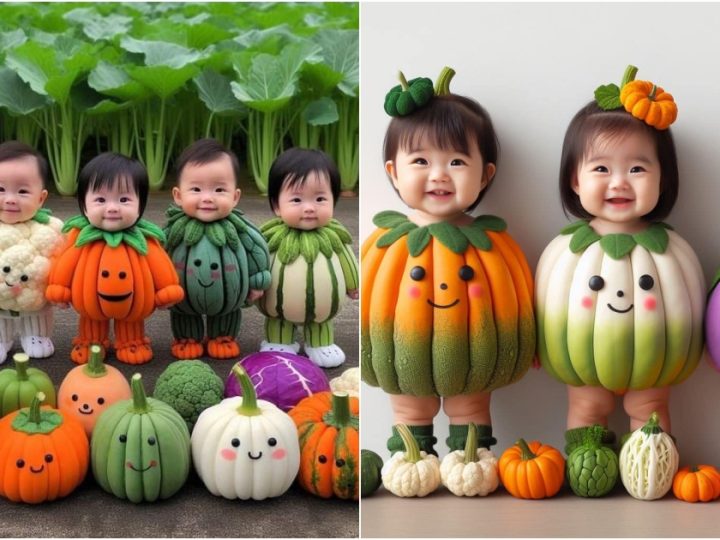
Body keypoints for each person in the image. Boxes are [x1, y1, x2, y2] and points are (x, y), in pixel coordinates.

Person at [361, 67, 536, 463]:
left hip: (476, 356)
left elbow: (517, 306)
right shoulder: (384, 246)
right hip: (405, 355)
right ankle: (411, 460)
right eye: (420, 160)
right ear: (393, 172)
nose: (438, 175)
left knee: (471, 408)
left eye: (457, 162)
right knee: (409, 409)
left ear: (485, 175)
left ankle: (470, 461)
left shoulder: (495, 247)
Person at [535, 66, 705, 456]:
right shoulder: (564, 251)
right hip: (579, 362)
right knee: (585, 406)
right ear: (575, 180)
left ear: (663, 179)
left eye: (637, 169)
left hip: (655, 362)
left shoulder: (674, 251)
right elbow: (545, 302)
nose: (619, 182)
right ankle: (587, 460)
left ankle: (649, 463)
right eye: (600, 169)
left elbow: (689, 312)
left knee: (651, 407)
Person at [46, 153, 184, 364]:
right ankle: (91, 342)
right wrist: (59, 287)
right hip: (89, 301)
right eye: (100, 199)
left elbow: (159, 262)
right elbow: (67, 261)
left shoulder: (145, 241)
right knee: (91, 317)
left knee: (132, 318)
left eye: (124, 199)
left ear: (141, 205)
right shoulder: (80, 238)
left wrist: (167, 289)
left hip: (134, 303)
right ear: (84, 205)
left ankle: (132, 343)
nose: (112, 207)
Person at [165, 139, 270, 360]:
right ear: (178, 195)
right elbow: (157, 256)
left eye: (219, 189)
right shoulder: (171, 232)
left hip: (229, 298)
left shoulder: (242, 230)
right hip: (182, 300)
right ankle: (186, 338)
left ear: (235, 197)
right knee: (184, 314)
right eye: (195, 189)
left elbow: (257, 250)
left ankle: (222, 337)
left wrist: (258, 280)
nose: (207, 198)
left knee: (227, 312)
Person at [257, 147, 358, 368]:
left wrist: (354, 284)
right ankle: (278, 341)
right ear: (276, 205)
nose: (310, 208)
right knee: (278, 321)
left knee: (321, 321)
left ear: (334, 200)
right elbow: (258, 263)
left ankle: (321, 343)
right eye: (296, 200)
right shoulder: (269, 238)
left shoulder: (335, 238)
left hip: (322, 311)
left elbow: (347, 260)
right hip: (277, 310)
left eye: (320, 198)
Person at [0, 141, 64, 363]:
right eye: (0, 189)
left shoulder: (53, 229)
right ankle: (1, 340)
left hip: (37, 303)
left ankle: (36, 335)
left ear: (41, 198)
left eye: (23, 191)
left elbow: (66, 262)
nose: (9, 199)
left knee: (36, 316)